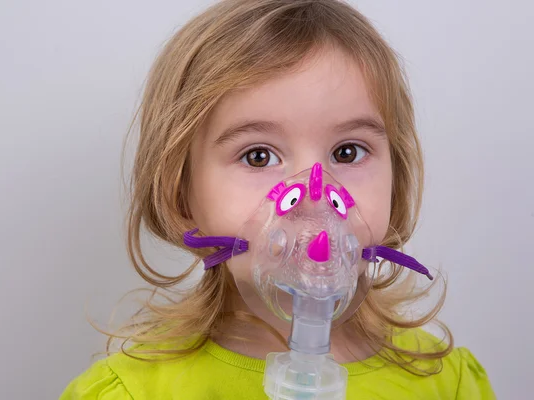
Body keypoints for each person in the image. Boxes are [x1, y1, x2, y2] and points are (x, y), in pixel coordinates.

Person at [60, 0, 495, 398]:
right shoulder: (132, 393)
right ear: (180, 194)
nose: (313, 198)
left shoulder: (444, 384)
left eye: (347, 152)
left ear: (396, 179)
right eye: (259, 155)